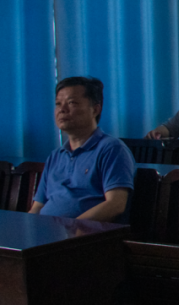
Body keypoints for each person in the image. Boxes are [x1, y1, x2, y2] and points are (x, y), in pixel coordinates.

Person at [30, 77, 135, 222]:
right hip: (47, 231)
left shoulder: (112, 149)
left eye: (71, 103)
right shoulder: (56, 156)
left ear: (95, 109)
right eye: (58, 104)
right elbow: (37, 206)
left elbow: (115, 204)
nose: (62, 109)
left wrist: (72, 228)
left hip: (83, 233)